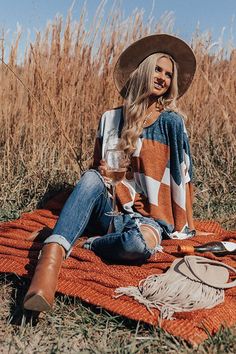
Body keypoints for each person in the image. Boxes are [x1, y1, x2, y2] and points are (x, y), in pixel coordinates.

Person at [23, 34, 197, 312]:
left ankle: (85, 242)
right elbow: (96, 175)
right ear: (143, 70)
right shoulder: (111, 118)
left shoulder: (172, 124)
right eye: (157, 69)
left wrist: (185, 227)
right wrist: (103, 171)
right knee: (91, 178)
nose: (163, 77)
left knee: (136, 246)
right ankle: (48, 266)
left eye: (168, 74)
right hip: (111, 209)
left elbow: (183, 177)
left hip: (150, 218)